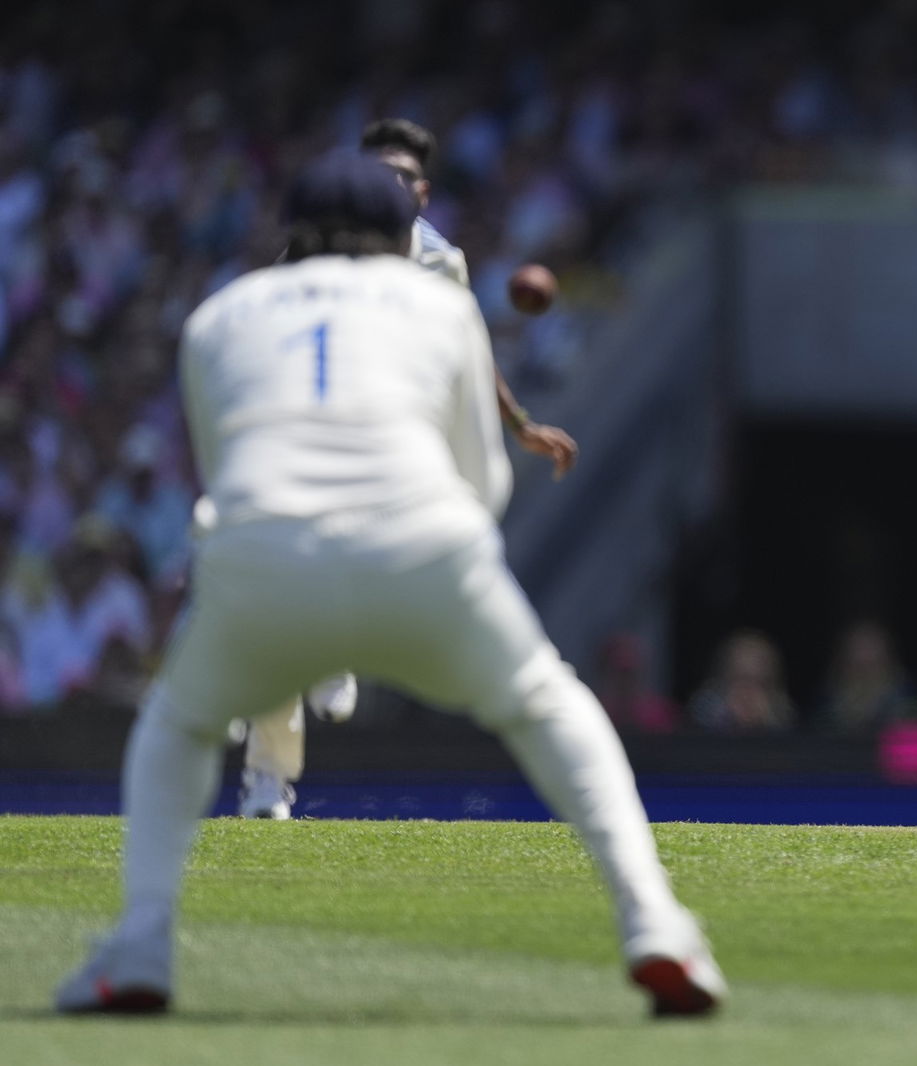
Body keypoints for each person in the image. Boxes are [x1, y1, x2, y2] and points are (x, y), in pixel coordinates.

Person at [53, 153, 725, 1017]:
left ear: (288, 235)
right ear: (401, 235)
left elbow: (226, 482)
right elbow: (484, 486)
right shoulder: (439, 307)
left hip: (264, 560)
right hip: (423, 547)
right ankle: (657, 927)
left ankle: (141, 942)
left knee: (176, 725)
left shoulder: (223, 314)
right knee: (548, 703)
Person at [237, 118, 579, 818]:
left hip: (396, 444)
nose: (386, 189)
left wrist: (521, 427)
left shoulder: (441, 264)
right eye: (375, 175)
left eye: (401, 178)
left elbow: (471, 352)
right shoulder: (308, 255)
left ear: (422, 193)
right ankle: (268, 778)